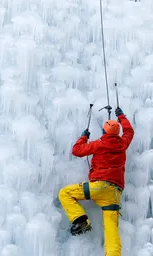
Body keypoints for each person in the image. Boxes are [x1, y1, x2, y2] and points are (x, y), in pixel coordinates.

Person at [58, 107, 134, 256]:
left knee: (65, 193)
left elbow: (77, 150)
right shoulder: (123, 143)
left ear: (104, 132)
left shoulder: (99, 144)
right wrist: (121, 116)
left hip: (98, 187)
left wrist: (83, 137)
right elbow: (129, 132)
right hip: (114, 193)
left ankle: (81, 221)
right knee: (112, 231)